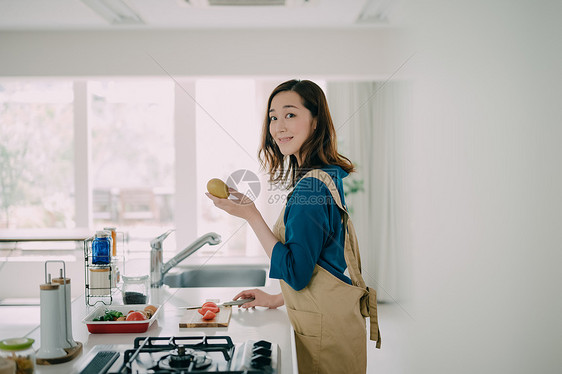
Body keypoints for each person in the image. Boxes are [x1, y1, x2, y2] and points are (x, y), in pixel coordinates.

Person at [205, 79, 381, 374]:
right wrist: (276, 298)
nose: (278, 127)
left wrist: (252, 216)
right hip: (337, 323)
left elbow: (298, 275)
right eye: (273, 117)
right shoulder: (327, 176)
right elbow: (320, 260)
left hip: (325, 333)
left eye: (290, 114)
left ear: (315, 122)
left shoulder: (307, 191)